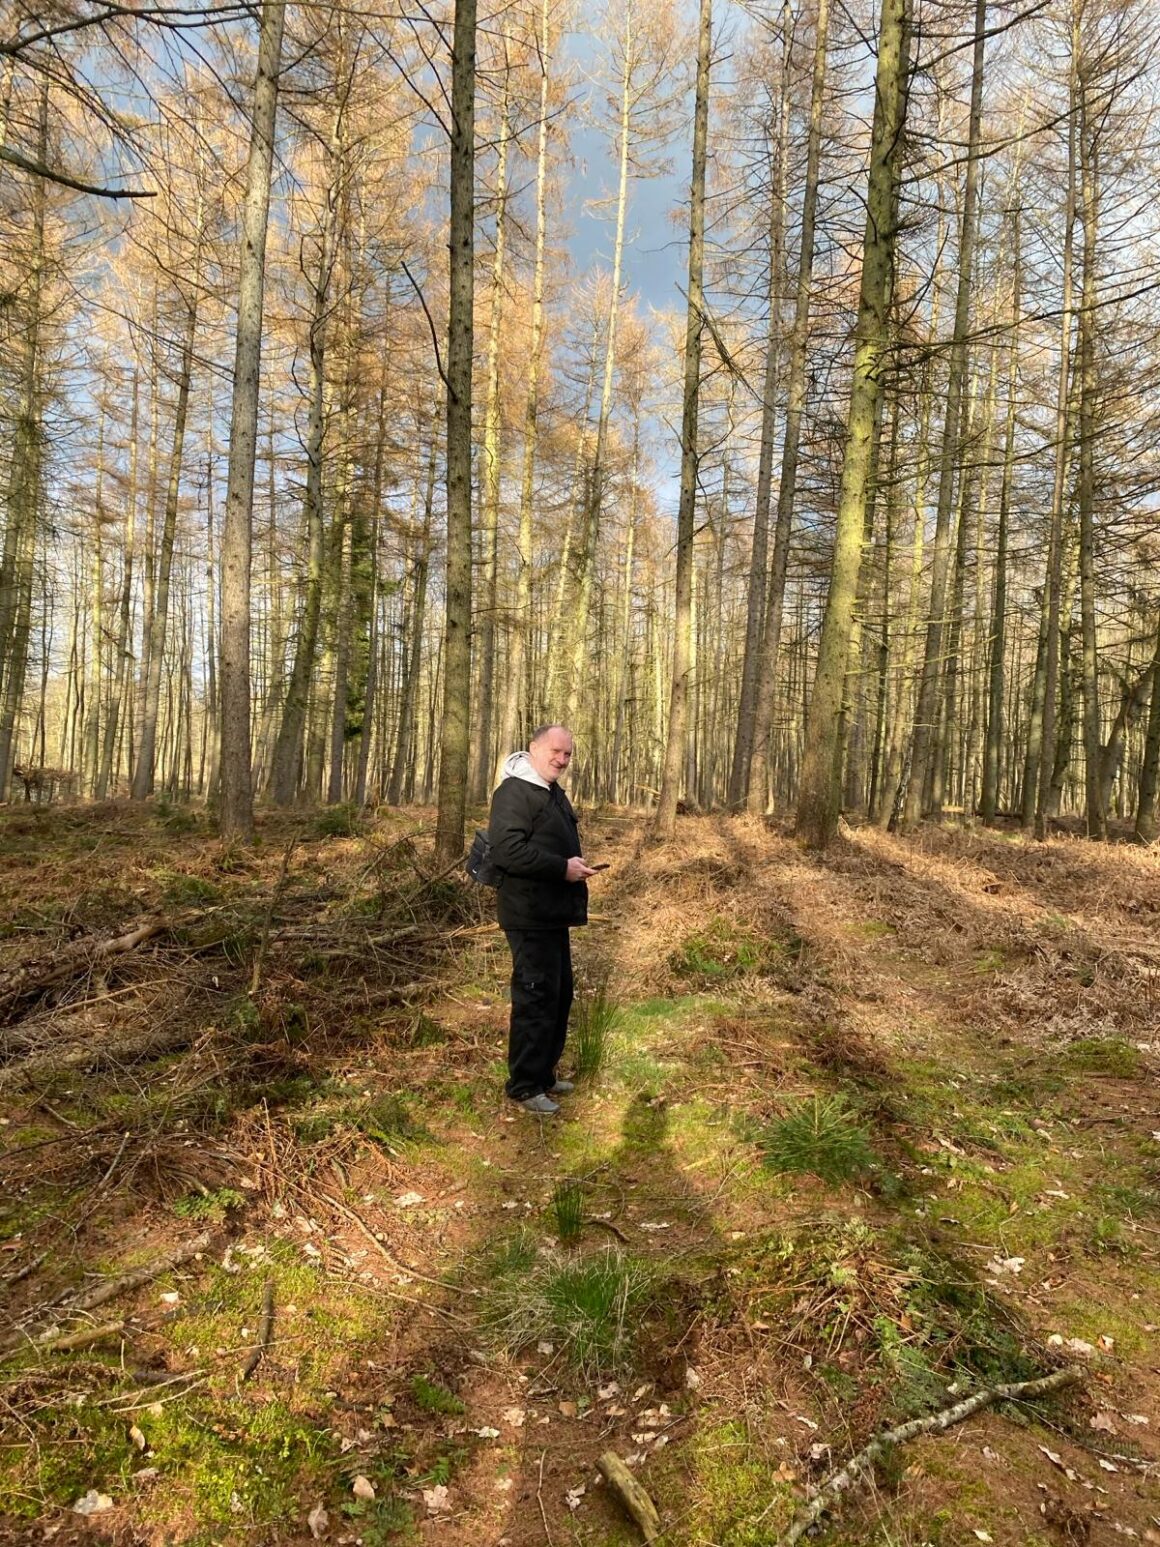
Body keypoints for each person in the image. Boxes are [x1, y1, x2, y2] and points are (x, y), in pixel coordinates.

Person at [488, 724, 595, 1114]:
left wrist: (574, 867)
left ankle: (544, 1075)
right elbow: (506, 851)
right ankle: (524, 1086)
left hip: (552, 914)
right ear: (533, 748)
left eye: (567, 754)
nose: (562, 760)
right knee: (534, 997)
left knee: (558, 994)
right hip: (528, 913)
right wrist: (561, 868)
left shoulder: (549, 790)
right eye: (555, 751)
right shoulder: (514, 792)